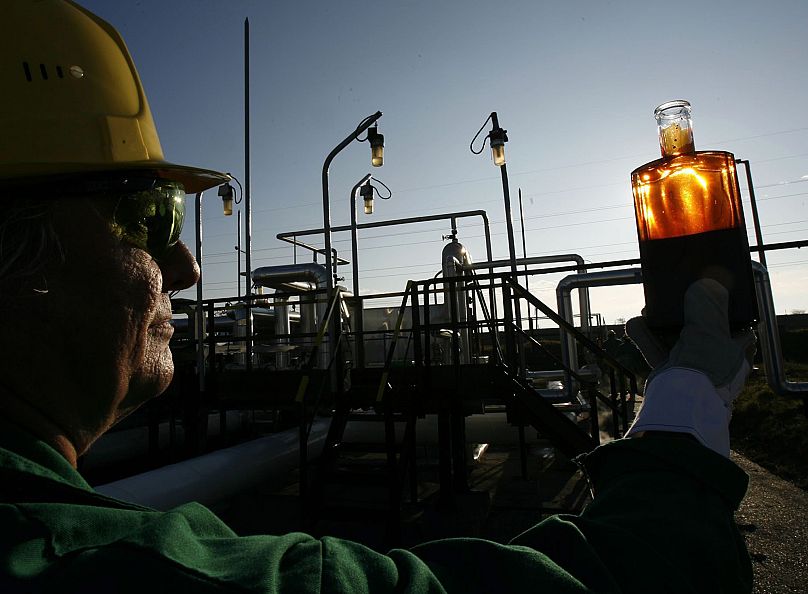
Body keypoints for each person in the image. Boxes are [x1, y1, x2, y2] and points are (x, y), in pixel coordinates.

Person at [1, 2, 754, 592]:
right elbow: (618, 579)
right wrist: (686, 405)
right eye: (147, 214)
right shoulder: (99, 569)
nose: (188, 266)